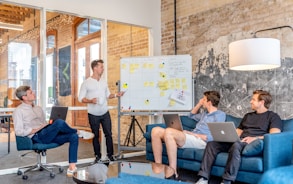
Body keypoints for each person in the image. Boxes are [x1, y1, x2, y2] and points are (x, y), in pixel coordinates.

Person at [195, 90, 282, 184]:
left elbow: (274, 135)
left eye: (253, 99)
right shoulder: (248, 116)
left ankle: (227, 181)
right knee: (212, 144)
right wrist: (227, 136)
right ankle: (203, 178)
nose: (250, 101)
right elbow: (238, 132)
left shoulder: (273, 116)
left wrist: (255, 138)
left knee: (236, 145)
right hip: (239, 141)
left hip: (252, 143)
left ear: (262, 102)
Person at [13, 85, 94, 177]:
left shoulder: (38, 108)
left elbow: (43, 123)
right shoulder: (18, 111)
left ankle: (72, 167)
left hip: (46, 133)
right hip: (37, 137)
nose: (34, 93)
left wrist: (49, 124)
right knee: (59, 123)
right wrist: (35, 129)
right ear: (24, 97)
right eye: (31, 92)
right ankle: (78, 132)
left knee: (73, 136)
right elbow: (18, 131)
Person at [151, 91, 226, 179]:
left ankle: (173, 172)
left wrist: (192, 134)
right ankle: (158, 168)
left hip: (201, 141)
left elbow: (214, 136)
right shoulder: (204, 114)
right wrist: (199, 104)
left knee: (169, 132)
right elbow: (190, 115)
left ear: (209, 102)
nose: (201, 100)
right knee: (155, 131)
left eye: (204, 99)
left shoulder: (220, 115)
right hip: (192, 137)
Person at [78, 59, 124, 163]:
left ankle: (110, 155)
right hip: (93, 114)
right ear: (95, 68)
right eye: (101, 67)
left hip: (105, 112)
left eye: (102, 67)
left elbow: (108, 95)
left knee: (108, 134)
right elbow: (80, 98)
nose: (102, 69)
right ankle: (97, 156)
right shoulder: (86, 83)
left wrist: (117, 94)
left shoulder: (103, 82)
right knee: (95, 135)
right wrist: (91, 100)